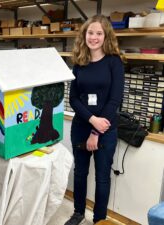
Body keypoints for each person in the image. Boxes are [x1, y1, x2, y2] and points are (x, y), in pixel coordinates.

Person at [65, 15, 124, 225]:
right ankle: (78, 212)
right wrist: (91, 120)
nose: (94, 37)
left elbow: (114, 99)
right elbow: (73, 98)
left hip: (106, 130)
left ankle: (99, 219)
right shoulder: (80, 61)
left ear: (106, 35)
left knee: (102, 178)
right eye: (90, 32)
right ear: (85, 35)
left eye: (99, 33)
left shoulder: (114, 62)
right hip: (81, 127)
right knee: (80, 174)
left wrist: (97, 131)